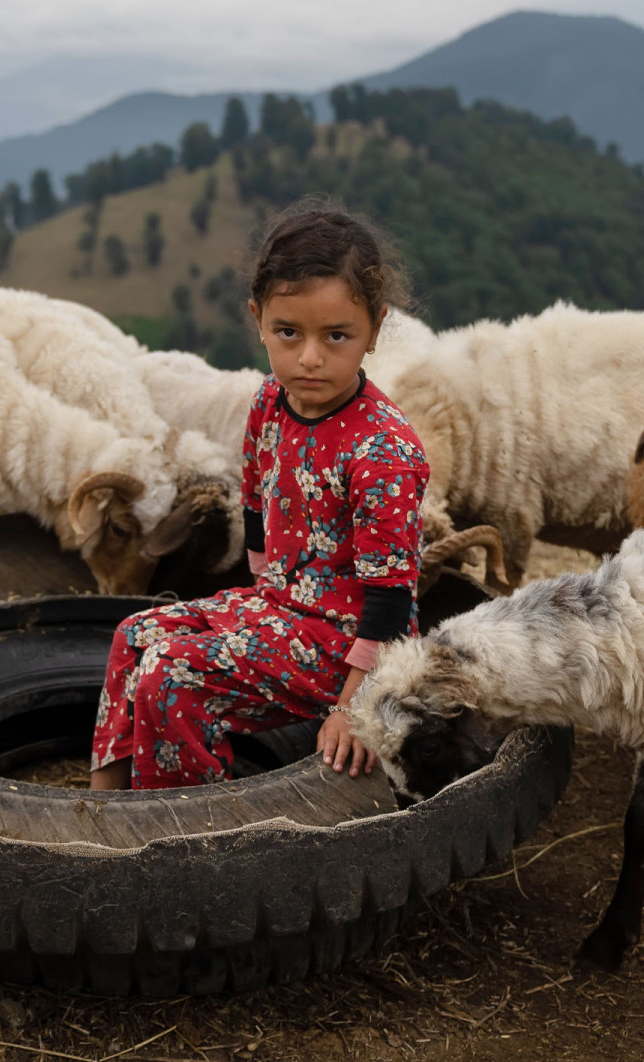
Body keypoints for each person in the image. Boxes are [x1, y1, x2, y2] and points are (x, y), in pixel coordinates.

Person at [89, 199, 429, 790]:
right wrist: (255, 600)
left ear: (374, 330)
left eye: (337, 335)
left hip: (349, 643)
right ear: (258, 319)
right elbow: (255, 495)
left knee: (173, 674)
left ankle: (191, 831)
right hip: (283, 606)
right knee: (134, 637)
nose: (310, 357)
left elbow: (391, 601)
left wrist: (356, 705)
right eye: (288, 332)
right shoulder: (270, 402)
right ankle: (105, 813)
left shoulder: (383, 450)